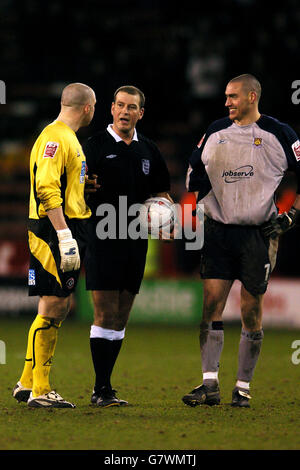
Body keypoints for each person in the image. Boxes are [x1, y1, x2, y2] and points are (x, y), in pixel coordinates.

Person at [183, 73, 300, 408]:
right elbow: (194, 172)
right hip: (219, 232)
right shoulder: (216, 131)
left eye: (232, 96)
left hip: (258, 234)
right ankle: (209, 385)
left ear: (252, 97)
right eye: (225, 96)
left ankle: (243, 387)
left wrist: (292, 215)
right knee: (211, 305)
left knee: (251, 309)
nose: (226, 103)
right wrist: (203, 202)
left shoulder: (280, 134)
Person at [83, 85, 172, 407]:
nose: (124, 111)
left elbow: (162, 191)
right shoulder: (92, 146)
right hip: (103, 237)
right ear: (111, 108)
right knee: (104, 312)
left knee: (121, 315)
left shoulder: (148, 149)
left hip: (135, 240)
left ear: (140, 113)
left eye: (131, 107)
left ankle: (106, 388)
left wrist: (164, 213)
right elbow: (74, 188)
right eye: (120, 105)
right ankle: (101, 388)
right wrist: (83, 189)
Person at [13, 82, 97, 408]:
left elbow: (61, 184)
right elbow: (46, 187)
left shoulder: (67, 138)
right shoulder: (56, 137)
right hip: (54, 228)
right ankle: (41, 390)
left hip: (63, 225)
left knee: (53, 304)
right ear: (87, 108)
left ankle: (27, 382)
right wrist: (64, 235)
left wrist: (82, 185)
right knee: (55, 305)